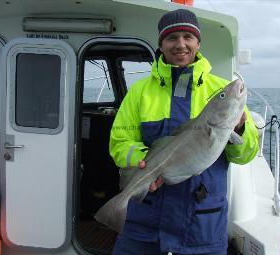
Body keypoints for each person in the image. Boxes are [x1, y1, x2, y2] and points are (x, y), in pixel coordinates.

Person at [109, 8, 259, 255]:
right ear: (161, 44)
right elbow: (120, 141)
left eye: (188, 37)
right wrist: (142, 163)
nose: (181, 44)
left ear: (198, 43)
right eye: (172, 38)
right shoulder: (139, 92)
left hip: (202, 226)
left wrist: (241, 128)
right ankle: (117, 208)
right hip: (145, 222)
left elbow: (245, 155)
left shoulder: (221, 89)